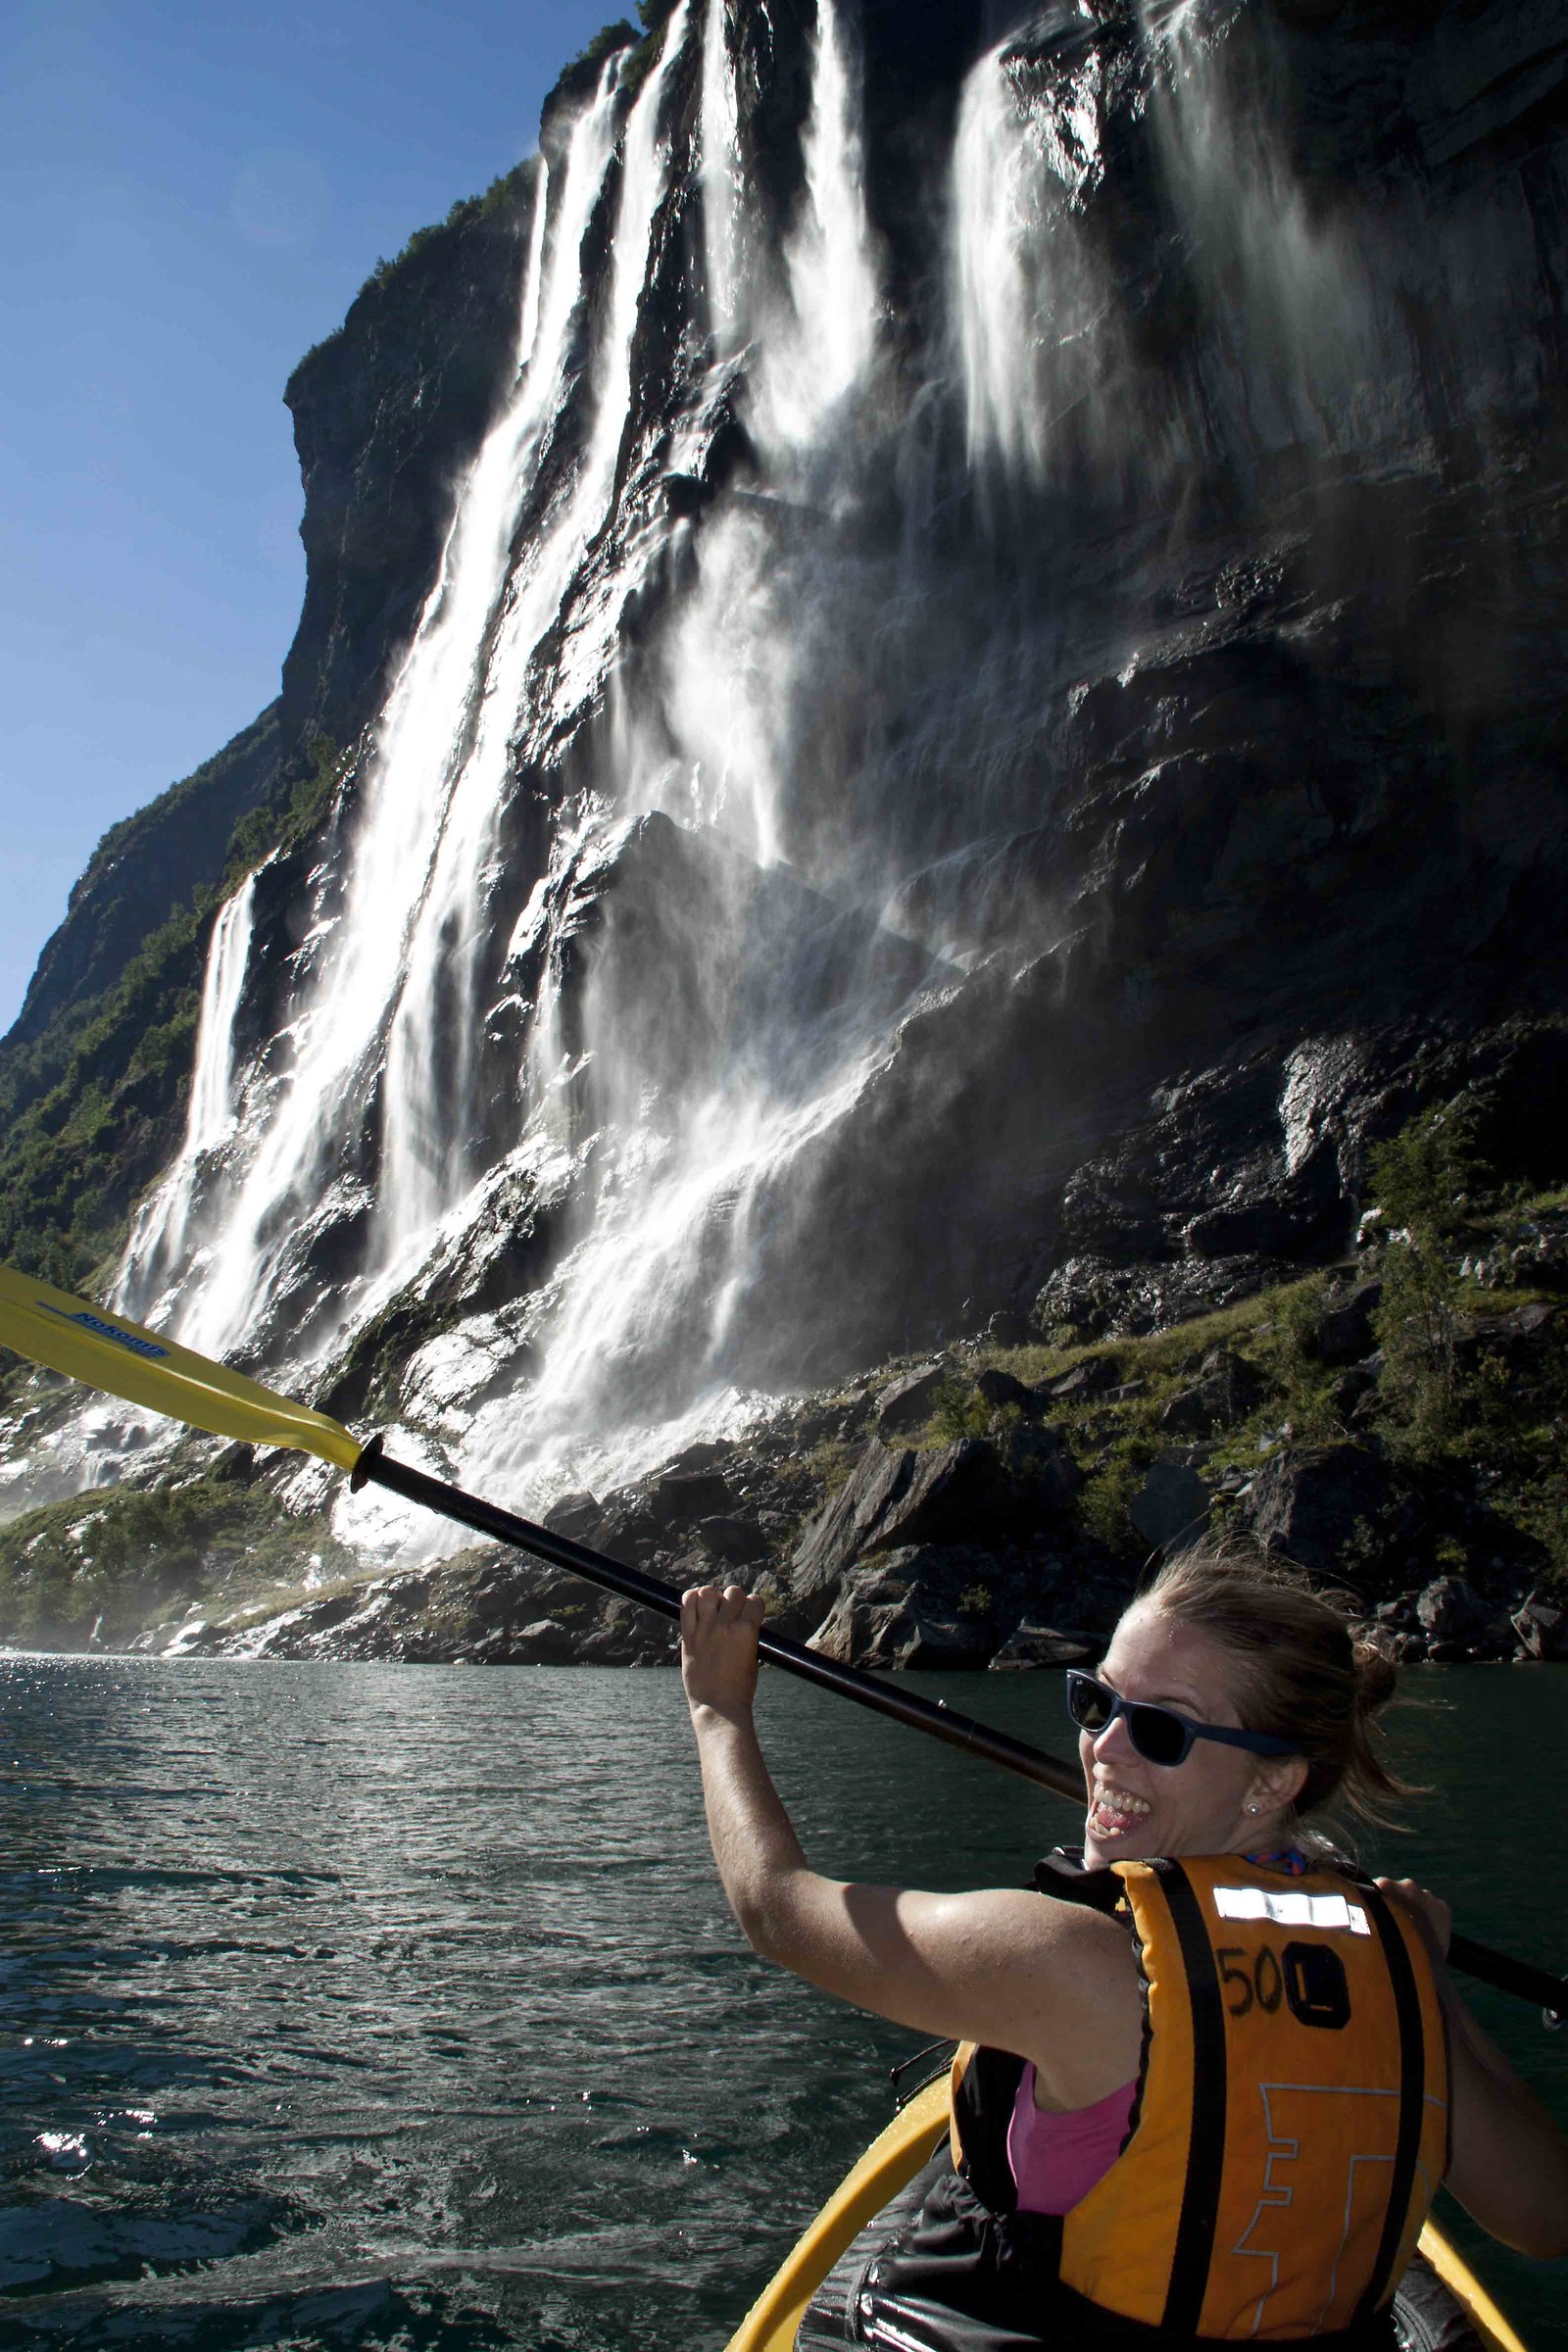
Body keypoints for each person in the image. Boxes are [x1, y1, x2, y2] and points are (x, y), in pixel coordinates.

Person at [680, 1543, 1568, 2346]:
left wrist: (719, 1708)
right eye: (1096, 1699)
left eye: (1161, 1729)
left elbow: (775, 1908)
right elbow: (1544, 2216)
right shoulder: (1390, 1951)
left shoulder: (1061, 1956)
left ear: (1274, 1780)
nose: (1103, 1748)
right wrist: (1423, 1979)